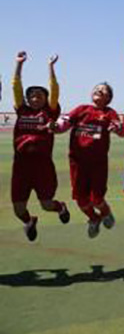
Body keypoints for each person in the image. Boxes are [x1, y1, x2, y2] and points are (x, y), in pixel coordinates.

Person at [53, 82, 124, 238]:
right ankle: (94, 219)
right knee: (81, 200)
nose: (99, 90)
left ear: (109, 98)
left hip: (98, 164)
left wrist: (118, 128)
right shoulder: (81, 109)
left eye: (104, 90)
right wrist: (56, 126)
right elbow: (64, 122)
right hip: (77, 164)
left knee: (97, 199)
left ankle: (106, 212)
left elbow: (122, 131)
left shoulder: (109, 113)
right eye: (97, 88)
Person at [11, 51, 70, 241]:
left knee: (46, 204)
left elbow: (54, 89)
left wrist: (51, 67)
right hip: (21, 167)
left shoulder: (49, 112)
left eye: (40, 96)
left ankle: (61, 207)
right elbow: (16, 86)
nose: (35, 99)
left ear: (46, 99)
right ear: (27, 99)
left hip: (42, 167)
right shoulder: (22, 110)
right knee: (18, 209)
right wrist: (19, 64)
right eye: (32, 96)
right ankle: (29, 221)